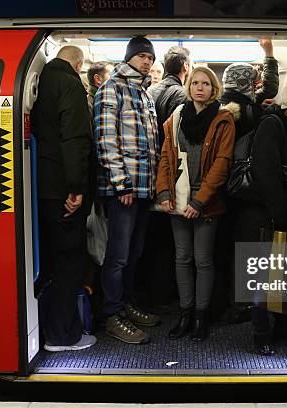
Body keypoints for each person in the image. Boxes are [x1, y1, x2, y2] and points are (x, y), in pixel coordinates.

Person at [235, 80, 287, 356]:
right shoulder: (273, 125)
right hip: (267, 214)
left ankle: (284, 326)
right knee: (263, 276)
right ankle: (261, 334)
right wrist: (280, 217)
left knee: (284, 275)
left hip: (286, 213)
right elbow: (266, 172)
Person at [156, 66, 236, 341]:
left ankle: (201, 317)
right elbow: (166, 158)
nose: (200, 88)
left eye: (206, 84)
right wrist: (164, 193)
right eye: (195, 83)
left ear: (214, 90)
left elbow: (221, 164)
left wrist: (200, 201)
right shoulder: (175, 119)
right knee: (182, 258)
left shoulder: (223, 119)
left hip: (207, 201)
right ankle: (185, 314)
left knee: (202, 259)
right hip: (177, 197)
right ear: (188, 87)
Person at [94, 36, 161, 345]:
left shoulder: (145, 94)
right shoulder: (112, 89)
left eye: (150, 57)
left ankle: (126, 304)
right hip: (124, 188)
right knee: (118, 256)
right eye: (141, 56)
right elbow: (106, 141)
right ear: (129, 57)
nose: (147, 61)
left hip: (145, 188)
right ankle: (111, 315)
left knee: (135, 253)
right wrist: (121, 183)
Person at [31, 45, 96, 352]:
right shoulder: (69, 84)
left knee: (54, 263)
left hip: (42, 188)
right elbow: (75, 139)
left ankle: (52, 329)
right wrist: (77, 187)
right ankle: (63, 335)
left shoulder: (40, 80)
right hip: (63, 190)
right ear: (78, 64)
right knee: (70, 261)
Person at [220, 38, 279, 325]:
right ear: (247, 84)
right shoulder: (253, 112)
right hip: (243, 190)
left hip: (216, 189)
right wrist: (268, 55)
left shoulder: (214, 107)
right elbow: (269, 90)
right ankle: (241, 305)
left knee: (216, 251)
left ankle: (220, 303)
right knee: (245, 249)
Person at [139, 45, 191, 310]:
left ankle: (151, 296)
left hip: (149, 174)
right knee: (170, 244)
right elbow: (177, 142)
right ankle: (165, 296)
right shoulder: (180, 95)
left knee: (151, 242)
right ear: (184, 67)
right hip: (169, 174)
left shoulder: (151, 90)